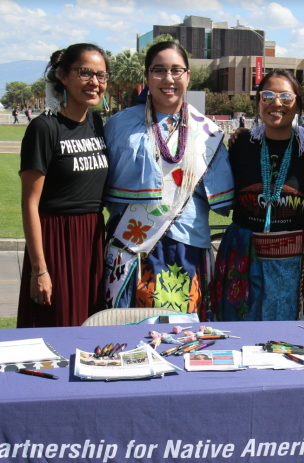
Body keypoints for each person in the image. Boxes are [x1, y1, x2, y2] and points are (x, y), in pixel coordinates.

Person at [102, 41, 234, 318]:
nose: (168, 79)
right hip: (133, 249)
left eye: (177, 70)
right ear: (147, 76)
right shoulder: (119, 126)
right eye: (159, 70)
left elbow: (223, 201)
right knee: (131, 333)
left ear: (188, 76)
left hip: (187, 249)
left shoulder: (209, 132)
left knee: (183, 336)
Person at [211, 71, 304, 322]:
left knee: (285, 341)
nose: (277, 103)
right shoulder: (240, 145)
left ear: (298, 104)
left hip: (292, 265)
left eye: (286, 97)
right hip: (242, 260)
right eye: (268, 96)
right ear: (258, 102)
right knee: (238, 337)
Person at [16, 43, 111, 328]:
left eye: (101, 75)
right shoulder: (43, 128)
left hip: (92, 239)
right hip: (56, 241)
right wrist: (39, 269)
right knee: (57, 326)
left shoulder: (98, 123)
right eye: (85, 73)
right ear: (63, 76)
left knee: (90, 326)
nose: (95, 82)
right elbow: (30, 204)